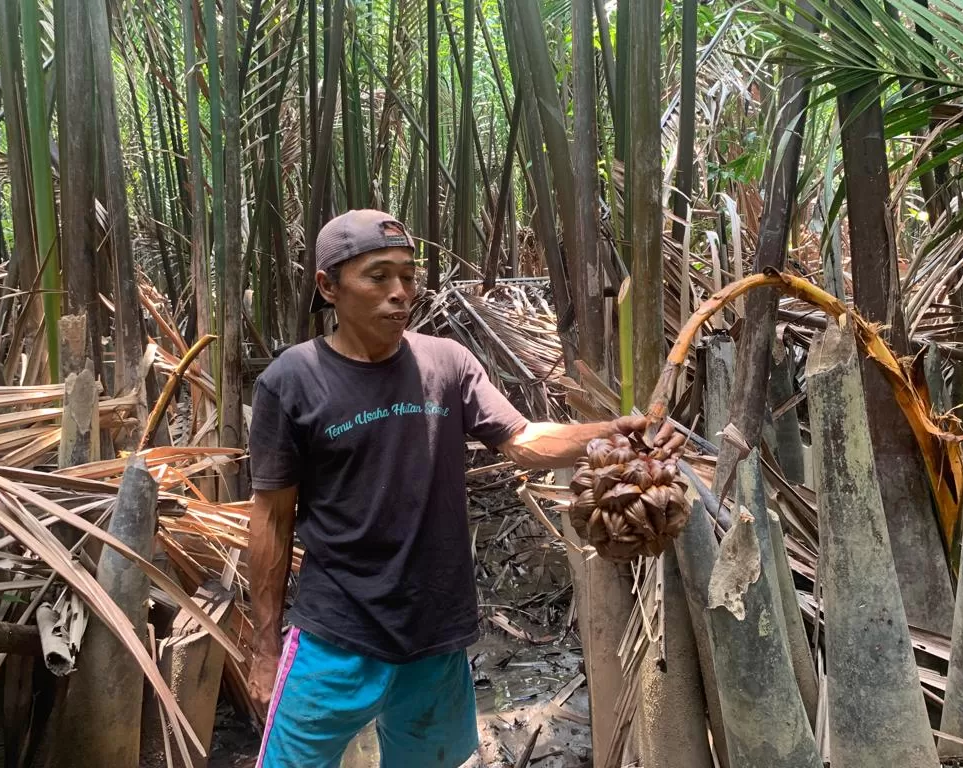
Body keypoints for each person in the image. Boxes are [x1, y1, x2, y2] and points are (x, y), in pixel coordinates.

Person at [247, 209, 680, 767]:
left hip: (435, 630)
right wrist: (263, 648)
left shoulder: (444, 362)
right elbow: (272, 521)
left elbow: (521, 439)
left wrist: (611, 433)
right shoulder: (291, 381)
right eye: (378, 277)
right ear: (328, 287)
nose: (400, 292)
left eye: (408, 276)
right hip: (336, 635)